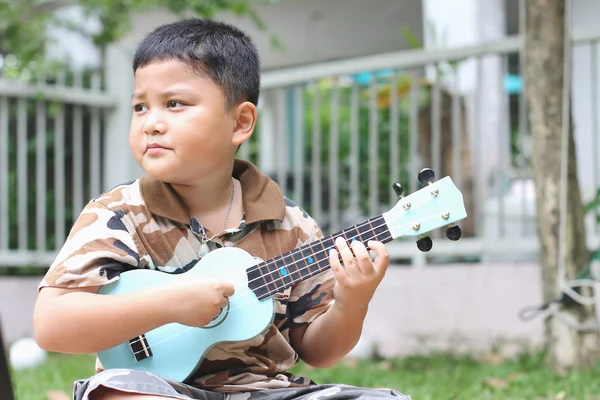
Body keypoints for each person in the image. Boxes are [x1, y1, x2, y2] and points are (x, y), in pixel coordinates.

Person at [33, 18, 410, 400]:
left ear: (240, 122)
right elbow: (51, 324)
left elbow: (317, 350)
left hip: (265, 391)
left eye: (174, 104)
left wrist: (352, 302)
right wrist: (169, 303)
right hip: (157, 388)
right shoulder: (119, 213)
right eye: (141, 107)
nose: (151, 124)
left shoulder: (288, 224)